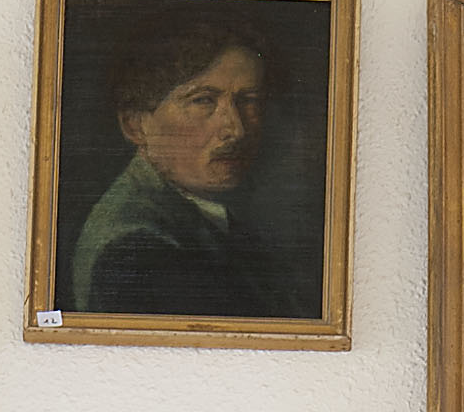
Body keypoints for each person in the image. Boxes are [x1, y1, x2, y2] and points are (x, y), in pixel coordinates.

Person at [66, 19, 304, 321]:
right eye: (203, 101)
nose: (236, 129)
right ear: (135, 125)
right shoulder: (136, 252)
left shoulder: (213, 219)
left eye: (249, 101)